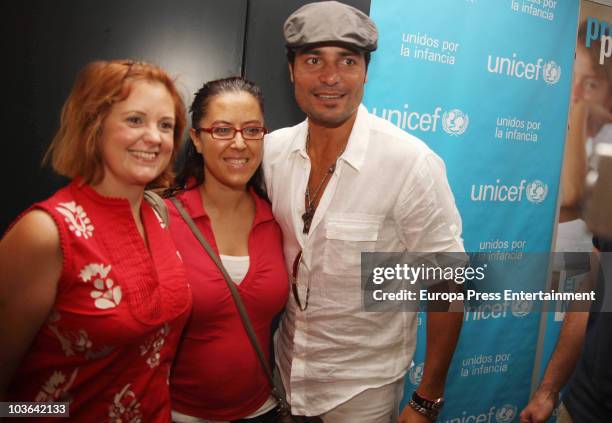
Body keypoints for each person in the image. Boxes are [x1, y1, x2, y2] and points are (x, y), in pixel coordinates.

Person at [263, 2, 465, 422]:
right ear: (291, 70)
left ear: (366, 72)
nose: (330, 77)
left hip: (362, 395)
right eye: (313, 60)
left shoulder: (409, 163)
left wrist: (428, 399)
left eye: (347, 61)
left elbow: (448, 282)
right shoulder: (270, 152)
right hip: (284, 378)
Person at [0, 60, 192, 421]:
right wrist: (60, 414)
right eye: (135, 120)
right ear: (95, 125)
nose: (154, 137)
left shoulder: (159, 217)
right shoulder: (47, 232)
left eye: (165, 125)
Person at [166, 77, 289, 423]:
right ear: (197, 139)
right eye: (222, 130)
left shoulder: (277, 219)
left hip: (263, 411)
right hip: (178, 414)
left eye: (252, 130)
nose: (239, 144)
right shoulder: (163, 219)